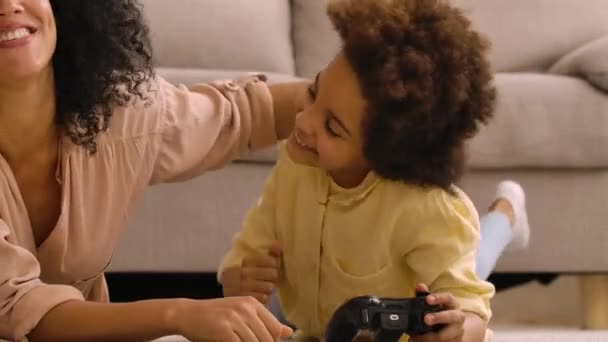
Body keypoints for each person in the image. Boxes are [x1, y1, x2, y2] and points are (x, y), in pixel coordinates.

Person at [0, 0, 307, 341]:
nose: (9, 5)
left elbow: (244, 114)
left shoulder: (115, 111)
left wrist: (355, 102)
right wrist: (180, 314)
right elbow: (20, 308)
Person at [218, 0, 515, 341]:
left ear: (385, 153)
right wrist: (240, 278)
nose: (302, 121)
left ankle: (506, 214)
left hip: (430, 257)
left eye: (333, 128)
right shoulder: (295, 168)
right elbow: (239, 264)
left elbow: (471, 312)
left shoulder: (427, 210)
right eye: (313, 93)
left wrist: (458, 330)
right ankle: (505, 214)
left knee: (472, 266)